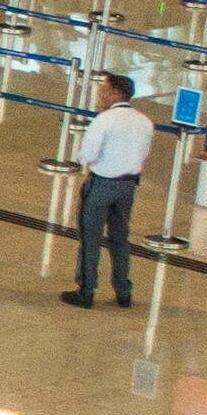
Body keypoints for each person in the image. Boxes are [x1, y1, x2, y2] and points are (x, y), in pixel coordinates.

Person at [64, 70, 154, 310]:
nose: (100, 94)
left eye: (103, 89)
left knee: (90, 238)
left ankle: (86, 290)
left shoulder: (104, 120)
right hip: (128, 186)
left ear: (115, 92)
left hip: (101, 183)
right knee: (120, 239)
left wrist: (90, 161)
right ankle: (123, 291)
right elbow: (144, 153)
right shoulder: (144, 121)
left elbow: (88, 154)